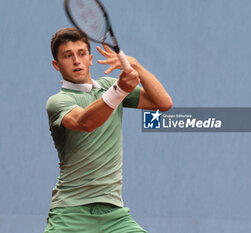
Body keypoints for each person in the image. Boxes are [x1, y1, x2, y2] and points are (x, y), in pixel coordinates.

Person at [44, 28, 172, 233]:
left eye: (81, 54)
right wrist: (119, 91)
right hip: (70, 213)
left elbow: (164, 103)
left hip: (114, 215)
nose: (77, 60)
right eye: (68, 56)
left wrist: (136, 65)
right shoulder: (58, 101)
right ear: (56, 65)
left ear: (90, 59)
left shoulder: (109, 86)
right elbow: (85, 122)